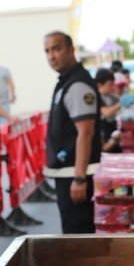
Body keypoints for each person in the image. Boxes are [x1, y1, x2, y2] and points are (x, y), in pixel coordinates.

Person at [42, 31, 101, 233]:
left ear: (71, 50)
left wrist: (79, 178)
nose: (52, 55)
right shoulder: (66, 81)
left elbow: (85, 132)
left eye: (57, 49)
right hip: (67, 173)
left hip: (75, 176)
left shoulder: (77, 84)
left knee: (78, 239)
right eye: (47, 51)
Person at [95, 67, 122, 152]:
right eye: (110, 84)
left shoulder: (111, 97)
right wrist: (121, 103)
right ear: (99, 85)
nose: (113, 87)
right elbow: (106, 112)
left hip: (113, 132)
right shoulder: (97, 98)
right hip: (105, 135)